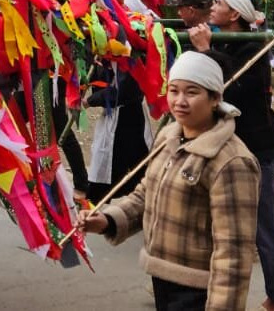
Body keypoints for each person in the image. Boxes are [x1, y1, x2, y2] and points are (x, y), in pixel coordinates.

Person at [78, 51, 259, 311]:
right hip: (163, 279)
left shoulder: (231, 162)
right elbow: (145, 194)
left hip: (200, 291)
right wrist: (107, 220)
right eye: (174, 91)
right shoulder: (167, 138)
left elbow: (233, 254)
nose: (180, 101)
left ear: (215, 98)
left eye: (192, 92)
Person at [189, 0, 274, 311]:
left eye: (219, 3)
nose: (213, 6)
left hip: (257, 152)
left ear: (234, 15)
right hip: (223, 149)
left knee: (263, 228)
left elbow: (233, 88)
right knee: (205, 223)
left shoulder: (255, 49)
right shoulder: (221, 40)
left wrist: (206, 52)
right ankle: (194, 288)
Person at [84, 60, 152, 203]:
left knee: (132, 165)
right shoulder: (104, 51)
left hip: (128, 116)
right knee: (111, 163)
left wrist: (91, 100)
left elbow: (123, 90)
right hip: (114, 115)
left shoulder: (129, 52)